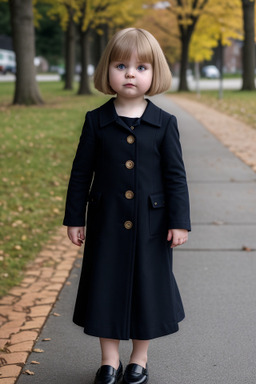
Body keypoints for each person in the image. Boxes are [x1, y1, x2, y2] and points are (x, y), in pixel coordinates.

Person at [63, 28, 191, 384]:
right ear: (108, 71)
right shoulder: (96, 121)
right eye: (121, 65)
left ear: (155, 74)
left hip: (152, 227)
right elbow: (80, 173)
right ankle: (109, 361)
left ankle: (139, 358)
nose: (131, 73)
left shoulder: (165, 124)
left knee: (147, 292)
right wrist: (75, 218)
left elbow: (176, 177)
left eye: (141, 67)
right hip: (106, 224)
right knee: (105, 289)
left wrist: (180, 222)